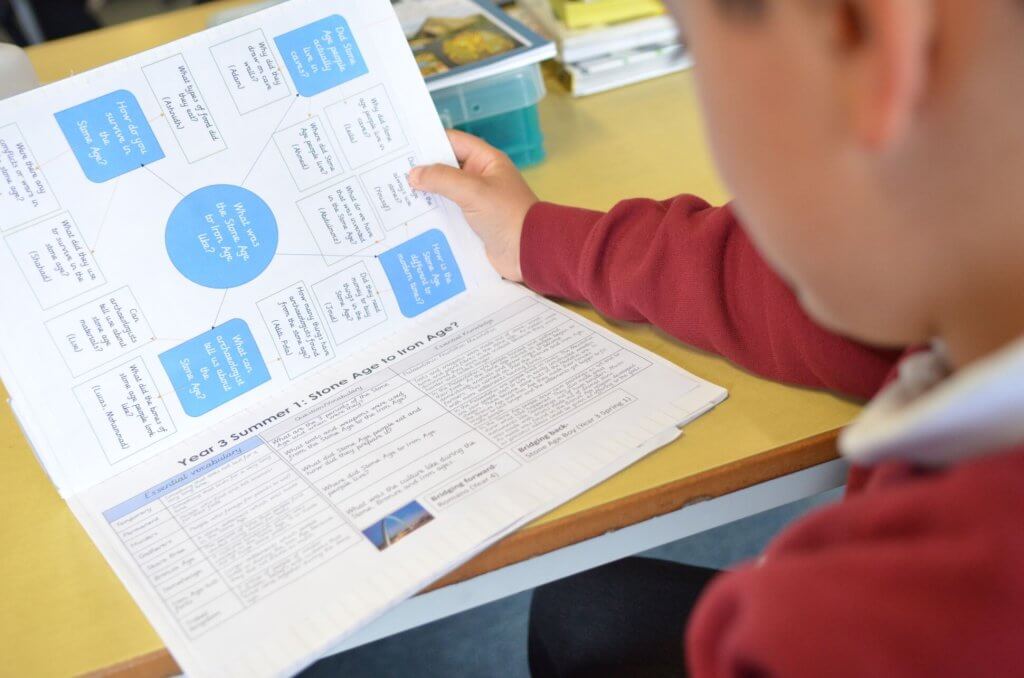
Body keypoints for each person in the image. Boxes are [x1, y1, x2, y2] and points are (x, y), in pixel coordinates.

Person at [408, 0, 1024, 675]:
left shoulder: (881, 625)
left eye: (688, 46)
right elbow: (798, 293)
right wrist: (545, 240)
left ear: (871, 47)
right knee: (587, 609)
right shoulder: (969, 285)